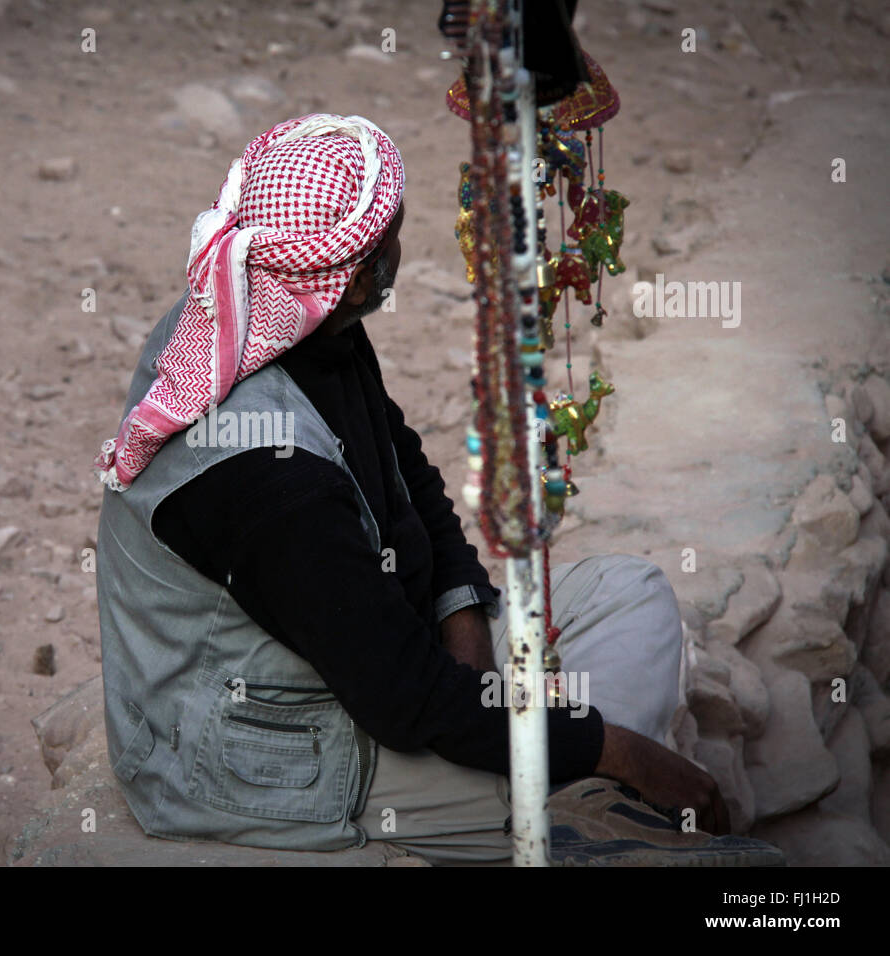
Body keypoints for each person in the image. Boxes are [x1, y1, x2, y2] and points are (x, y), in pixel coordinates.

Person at [92, 113, 781, 865]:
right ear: (355, 276)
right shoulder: (269, 476)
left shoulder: (294, 320)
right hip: (274, 754)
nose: (400, 253)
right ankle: (578, 797)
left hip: (374, 656)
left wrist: (461, 613)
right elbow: (401, 698)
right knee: (570, 789)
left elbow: (404, 466)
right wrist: (613, 749)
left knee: (628, 592)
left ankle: (571, 781)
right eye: (392, 240)